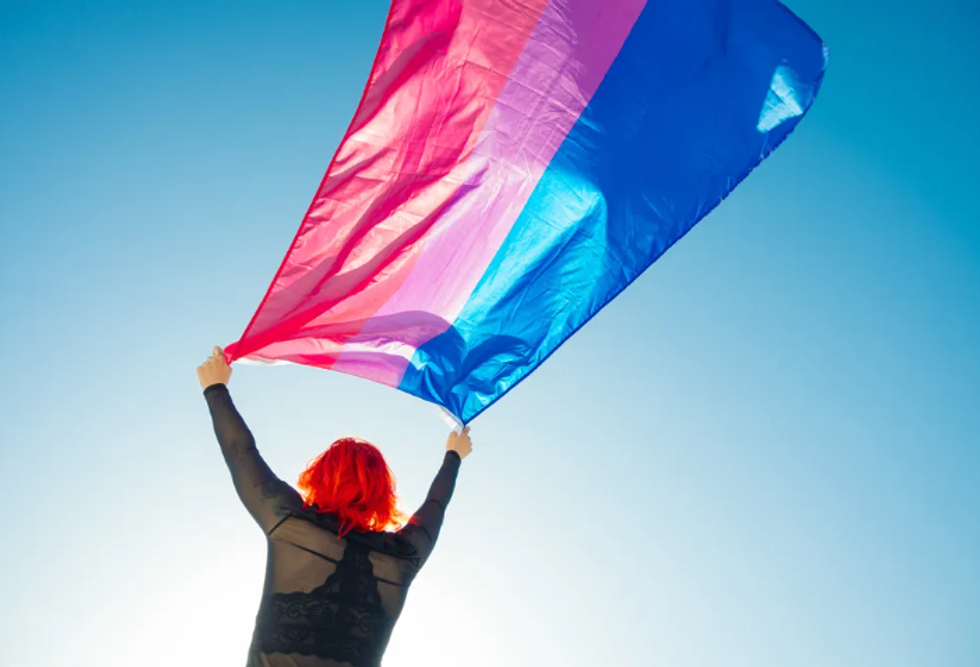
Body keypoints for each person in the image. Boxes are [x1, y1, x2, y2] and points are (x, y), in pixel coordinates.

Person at [197, 346, 472, 667]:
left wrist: (215, 388)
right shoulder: (402, 556)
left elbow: (241, 452)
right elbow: (435, 505)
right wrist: (454, 455)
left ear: (320, 476)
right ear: (383, 493)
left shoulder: (290, 520)